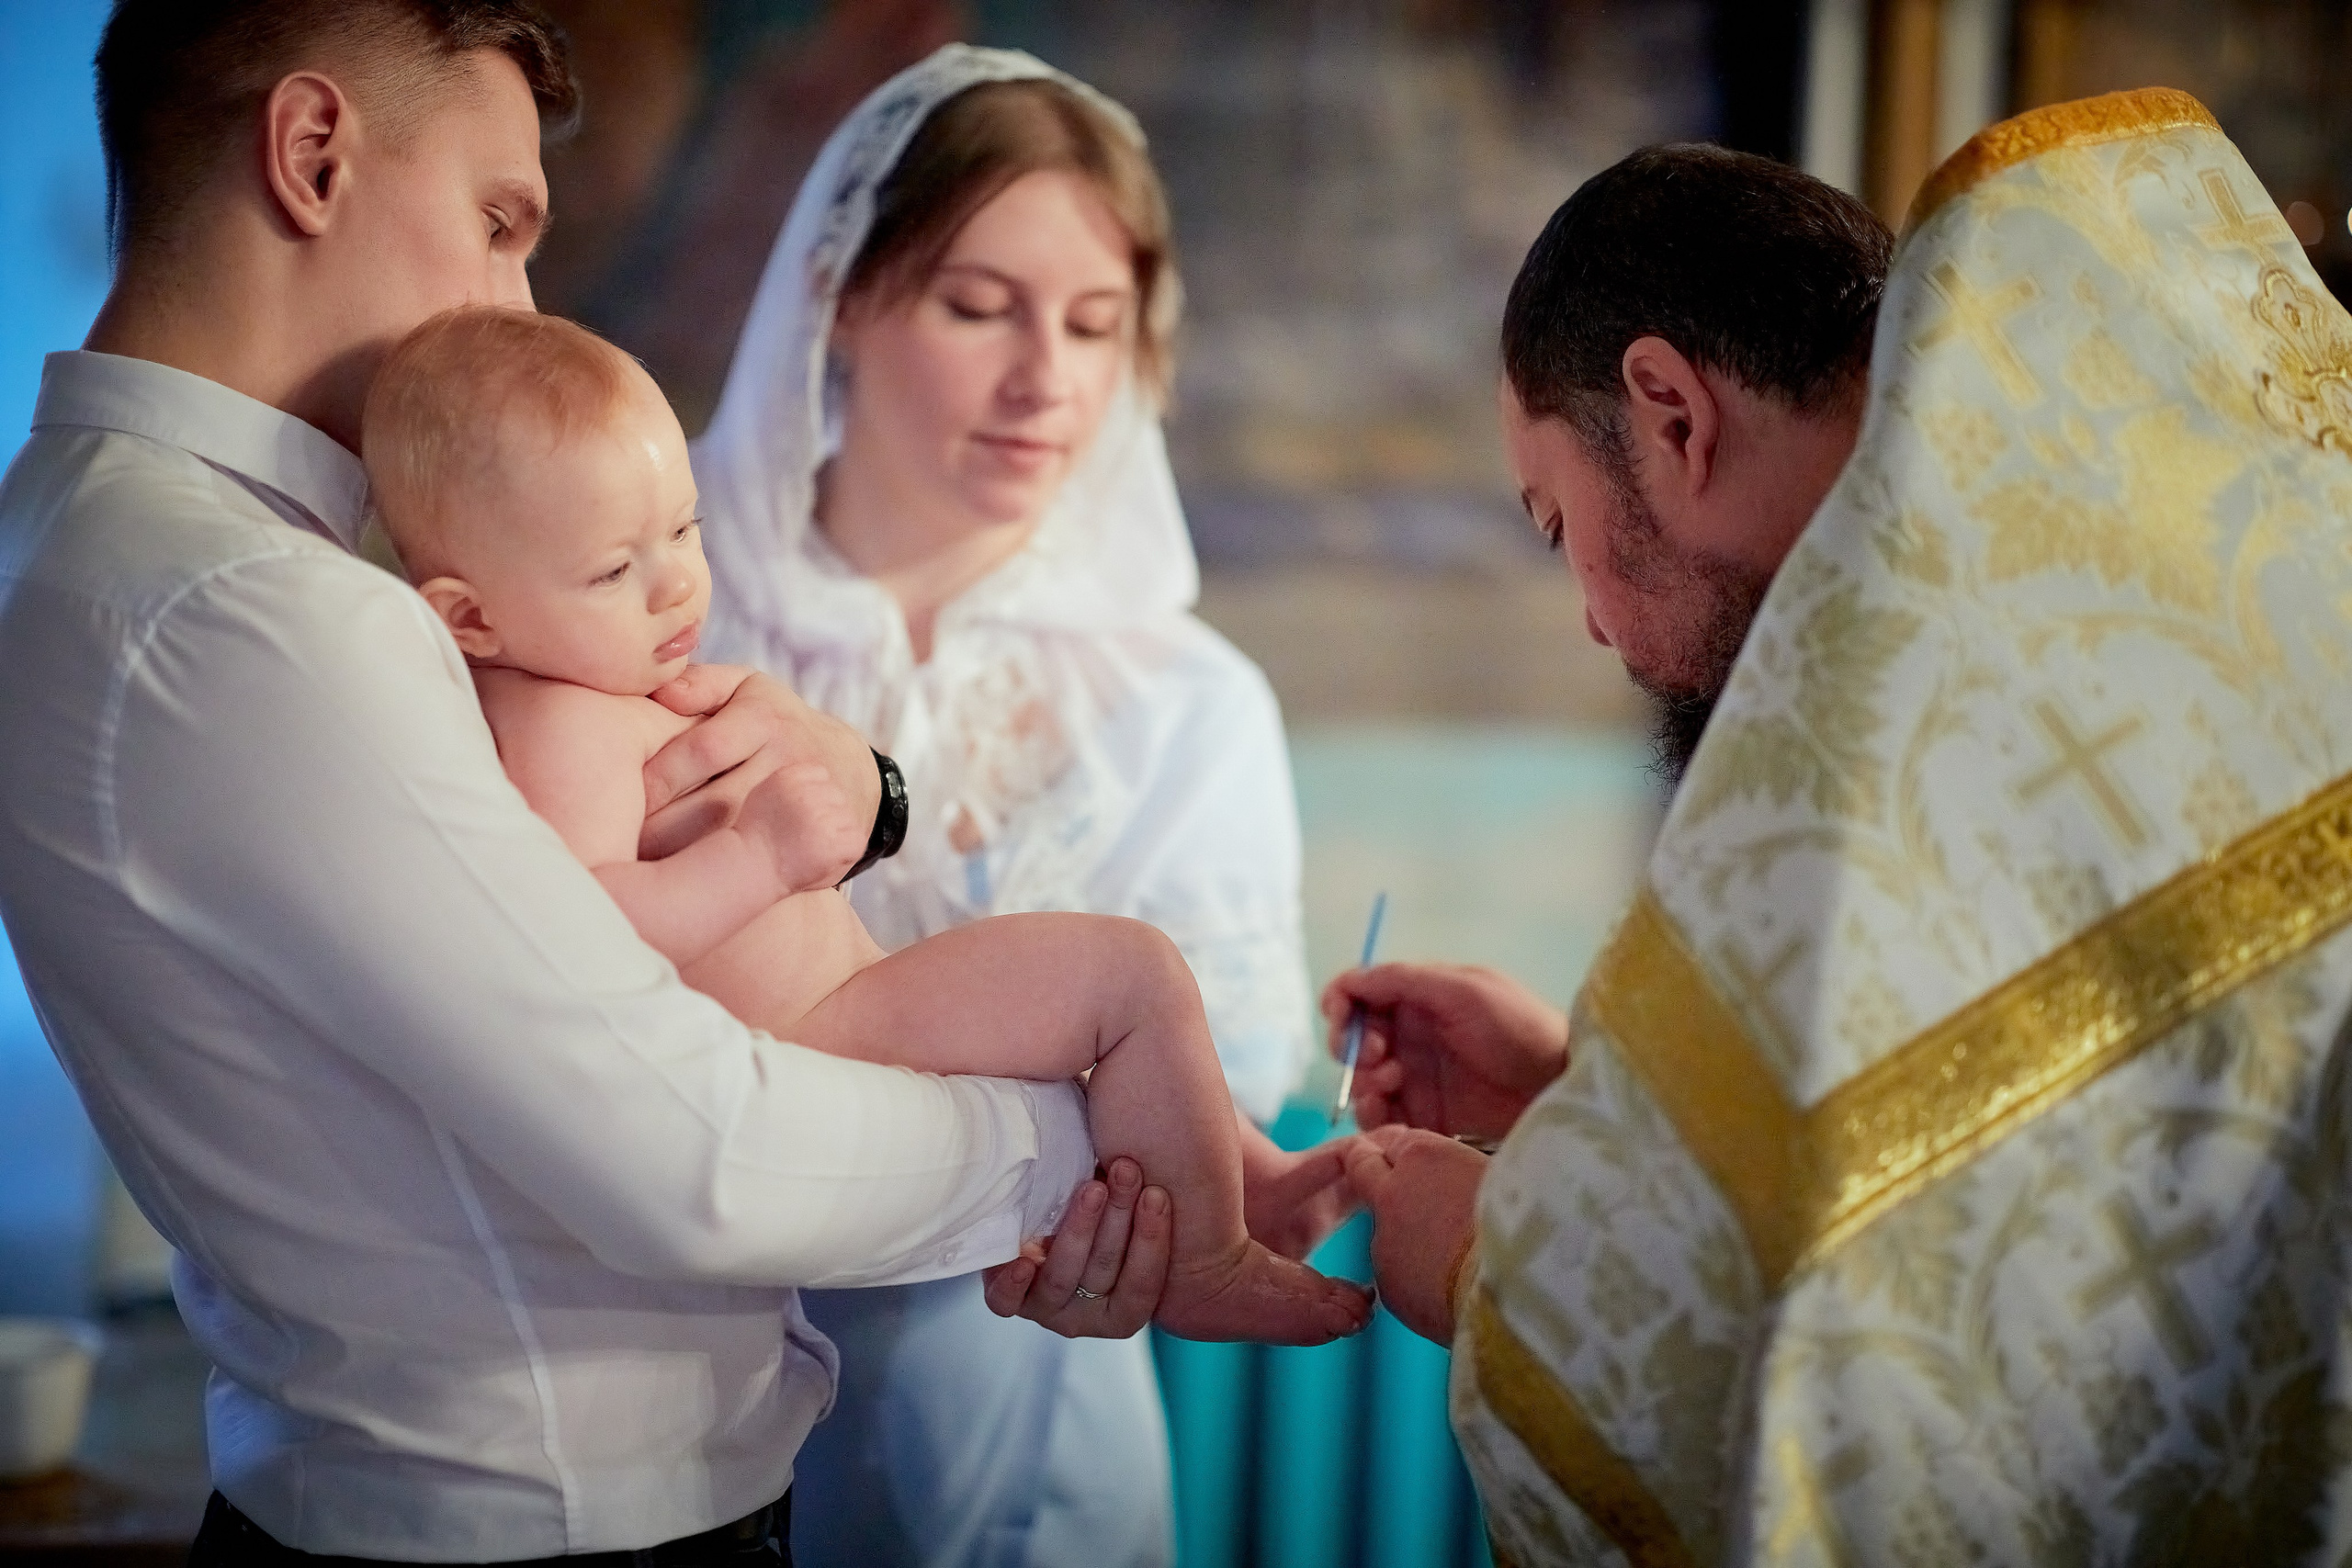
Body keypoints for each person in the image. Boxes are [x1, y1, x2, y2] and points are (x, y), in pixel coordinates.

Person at [0, 5, 1239, 1561]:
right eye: (500, 222)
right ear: (313, 154)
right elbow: (689, 1155)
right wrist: (1098, 1160)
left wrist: (866, 801)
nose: (520, 301)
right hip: (547, 1528)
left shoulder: (75, 535)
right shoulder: (257, 608)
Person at [1337, 94, 2352, 1562]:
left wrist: (1494, 1268)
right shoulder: (2175, 585)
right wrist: (1591, 1090)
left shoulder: (1877, 725)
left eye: (1560, 527)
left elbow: (1724, 1410)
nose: (1594, 622)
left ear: (1671, 412)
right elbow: (2080, 1144)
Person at [359, 304, 1371, 1348]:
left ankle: (1259, 1185)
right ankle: (1203, 1262)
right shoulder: (556, 722)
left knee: (1084, 1033)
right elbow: (575, 937)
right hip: (808, 1034)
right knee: (1130, 977)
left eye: (685, 529)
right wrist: (759, 859)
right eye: (614, 570)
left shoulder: (607, 676)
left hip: (846, 996)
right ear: (470, 617)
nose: (676, 588)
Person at [688, 45, 1337, 1568]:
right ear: (842, 295)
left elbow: (1205, 1115)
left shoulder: (1190, 705)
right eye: (978, 305)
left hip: (1036, 1453)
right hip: (672, 1431)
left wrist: (1160, 1221)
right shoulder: (664, 633)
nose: (1047, 376)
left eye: (1095, 324)